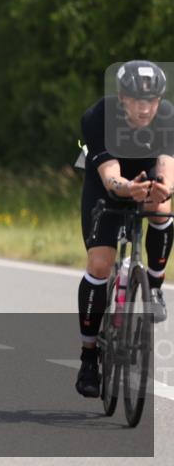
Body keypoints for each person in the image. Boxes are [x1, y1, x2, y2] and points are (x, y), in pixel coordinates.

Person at [75, 60, 174, 398]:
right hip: (106, 185)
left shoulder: (167, 117)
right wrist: (125, 188)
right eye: (136, 100)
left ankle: (156, 285)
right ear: (121, 98)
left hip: (145, 175)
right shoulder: (99, 116)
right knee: (100, 265)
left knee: (162, 207)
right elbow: (110, 175)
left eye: (152, 100)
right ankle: (89, 355)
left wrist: (165, 188)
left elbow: (167, 164)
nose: (145, 108)